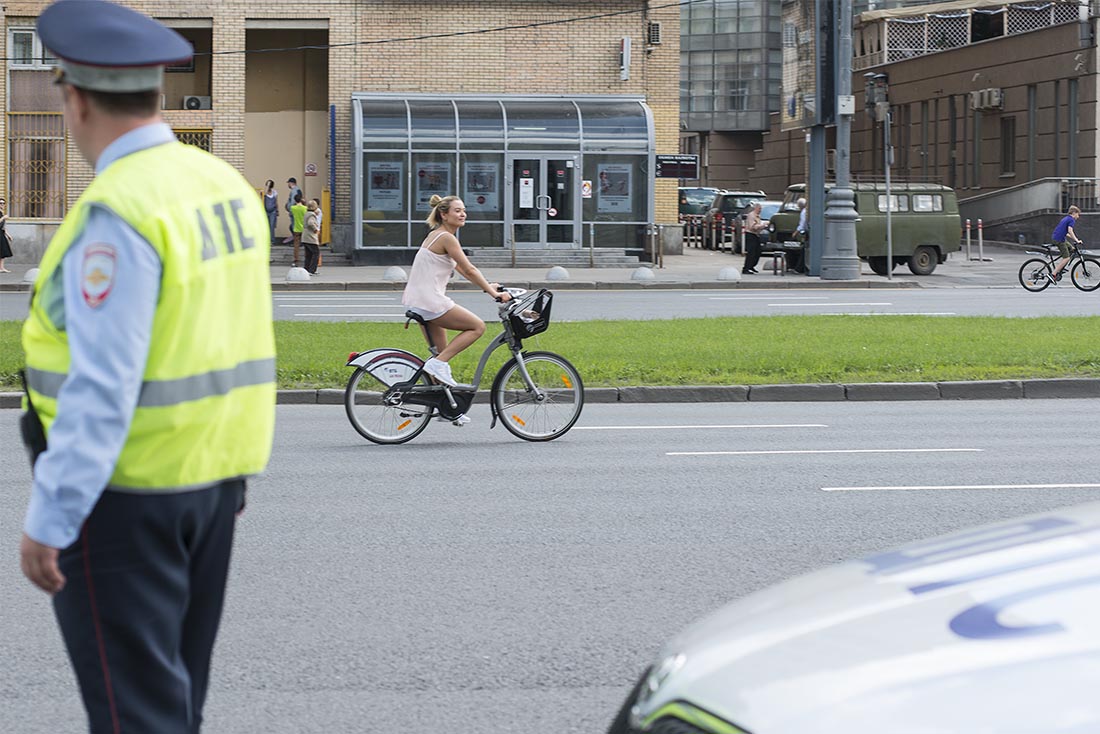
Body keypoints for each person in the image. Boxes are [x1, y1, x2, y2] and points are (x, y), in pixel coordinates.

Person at [20, 3, 276, 732]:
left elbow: (103, 384)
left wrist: (52, 516)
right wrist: (229, 481)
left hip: (123, 498)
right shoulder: (224, 185)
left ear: (73, 97)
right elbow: (228, 337)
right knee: (175, 705)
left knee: (137, 716)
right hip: (212, 486)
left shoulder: (120, 209)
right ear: (157, 93)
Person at [401, 195, 510, 420]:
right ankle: (437, 366)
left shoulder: (436, 236)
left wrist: (488, 285)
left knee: (441, 354)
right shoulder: (447, 238)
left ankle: (447, 408)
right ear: (444, 214)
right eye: (457, 211)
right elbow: (469, 269)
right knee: (477, 327)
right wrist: (494, 294)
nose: (463, 214)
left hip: (420, 301)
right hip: (430, 301)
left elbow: (462, 269)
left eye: (464, 210)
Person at [1050, 205, 1082, 281]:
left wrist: (1073, 238)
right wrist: (1077, 240)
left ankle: (1061, 268)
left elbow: (1066, 232)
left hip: (1058, 238)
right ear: (1074, 213)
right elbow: (1070, 230)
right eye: (1078, 214)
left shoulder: (1066, 218)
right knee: (1066, 258)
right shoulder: (1071, 220)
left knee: (1072, 249)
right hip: (1059, 240)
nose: (1078, 216)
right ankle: (1053, 274)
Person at [741, 201, 765, 274]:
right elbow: (752, 227)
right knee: (751, 252)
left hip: (756, 235)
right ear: (756, 208)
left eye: (761, 209)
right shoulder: (752, 215)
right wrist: (762, 226)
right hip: (751, 234)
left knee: (758, 251)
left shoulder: (758, 216)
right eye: (759, 208)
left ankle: (751, 266)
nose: (760, 210)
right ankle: (746, 268)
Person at [302, 198, 320, 274]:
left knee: (308, 254)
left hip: (305, 236)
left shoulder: (306, 213)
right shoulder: (312, 215)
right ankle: (312, 270)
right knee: (316, 253)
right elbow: (310, 223)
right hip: (310, 237)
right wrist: (315, 229)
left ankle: (306, 269)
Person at [790, 197, 808, 273]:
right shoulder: (806, 211)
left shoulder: (803, 212)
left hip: (807, 232)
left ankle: (799, 268)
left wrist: (796, 232)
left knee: (804, 250)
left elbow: (802, 224)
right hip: (808, 232)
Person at [290, 191, 307, 267]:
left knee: (296, 246)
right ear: (301, 199)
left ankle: (296, 260)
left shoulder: (293, 208)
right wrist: (304, 202)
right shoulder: (305, 208)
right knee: (306, 245)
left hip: (296, 228)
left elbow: (292, 208)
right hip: (304, 228)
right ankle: (307, 259)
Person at [284, 177, 301, 243]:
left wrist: (291, 210)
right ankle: (297, 241)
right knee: (294, 227)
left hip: (294, 212)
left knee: (294, 227)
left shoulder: (294, 191)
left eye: (288, 183)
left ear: (291, 183)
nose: (288, 184)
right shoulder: (297, 190)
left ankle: (297, 242)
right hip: (297, 211)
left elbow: (293, 202)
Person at [263, 178, 278, 244]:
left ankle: (272, 240)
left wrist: (277, 210)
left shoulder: (275, 192)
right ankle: (266, 239)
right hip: (266, 211)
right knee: (266, 226)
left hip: (273, 211)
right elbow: (263, 200)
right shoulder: (264, 192)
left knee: (272, 226)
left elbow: (276, 202)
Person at [0, 196, 12, 272]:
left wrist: (8, 235)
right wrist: (3, 217)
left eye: (3, 203)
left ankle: (1, 268)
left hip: (1, 233)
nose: (2, 205)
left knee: (3, 251)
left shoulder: (1, 213)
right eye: (0, 203)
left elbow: (3, 227)